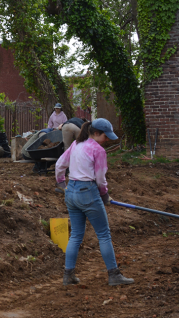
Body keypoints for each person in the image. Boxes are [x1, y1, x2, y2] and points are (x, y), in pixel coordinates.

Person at [54, 118, 134, 286]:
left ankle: (68, 275)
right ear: (96, 133)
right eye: (105, 136)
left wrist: (62, 184)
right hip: (88, 192)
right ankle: (114, 275)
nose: (106, 140)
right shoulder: (97, 150)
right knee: (104, 234)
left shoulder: (76, 144)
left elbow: (60, 164)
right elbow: (100, 179)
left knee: (75, 235)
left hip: (71, 192)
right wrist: (104, 195)